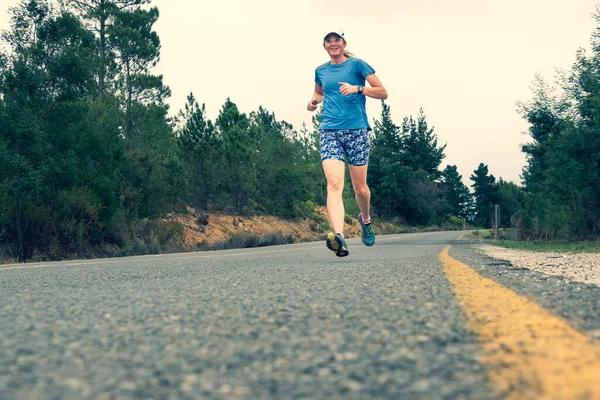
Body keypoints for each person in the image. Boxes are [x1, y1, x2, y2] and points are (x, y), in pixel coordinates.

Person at [307, 30, 388, 257]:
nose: (333, 44)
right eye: (329, 41)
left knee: (360, 189)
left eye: (337, 40)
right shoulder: (321, 70)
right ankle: (339, 236)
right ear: (324, 46)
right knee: (334, 183)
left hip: (357, 130)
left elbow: (383, 92)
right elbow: (319, 92)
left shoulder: (357, 65)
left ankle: (366, 220)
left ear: (343, 44)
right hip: (329, 130)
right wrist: (313, 101)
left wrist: (358, 88)